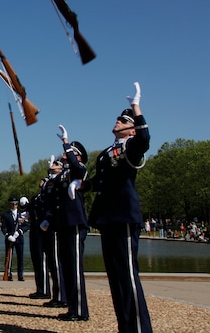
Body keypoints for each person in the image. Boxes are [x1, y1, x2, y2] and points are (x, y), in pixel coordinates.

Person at [80, 82, 153, 333]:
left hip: (123, 214)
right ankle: (126, 327)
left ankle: (140, 329)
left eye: (124, 120)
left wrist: (136, 107)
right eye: (119, 119)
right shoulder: (105, 153)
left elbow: (144, 139)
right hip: (107, 217)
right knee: (115, 277)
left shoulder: (132, 147)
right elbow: (100, 181)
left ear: (131, 129)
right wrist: (81, 186)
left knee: (129, 276)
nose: (118, 122)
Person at [55, 125, 90, 321]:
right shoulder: (63, 174)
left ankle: (80, 311)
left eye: (70, 153)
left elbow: (78, 168)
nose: (64, 154)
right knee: (67, 267)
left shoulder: (80, 169)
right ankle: (71, 306)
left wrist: (66, 143)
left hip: (75, 223)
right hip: (64, 223)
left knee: (75, 267)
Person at [39, 156, 67, 309]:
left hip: (55, 223)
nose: (52, 165)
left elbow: (56, 203)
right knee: (52, 262)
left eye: (56, 163)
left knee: (56, 262)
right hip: (49, 223)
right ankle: (57, 294)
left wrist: (49, 219)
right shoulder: (51, 182)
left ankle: (61, 296)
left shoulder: (59, 181)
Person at [25, 185, 50, 300]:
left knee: (42, 259)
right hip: (34, 229)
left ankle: (45, 290)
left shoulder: (46, 196)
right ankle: (40, 288)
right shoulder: (37, 197)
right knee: (36, 259)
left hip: (42, 230)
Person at [0, 197, 29, 281]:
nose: (14, 205)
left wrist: (19, 232)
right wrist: (7, 235)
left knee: (20, 258)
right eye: (12, 204)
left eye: (15, 204)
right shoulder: (6, 215)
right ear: (10, 204)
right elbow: (3, 228)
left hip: (19, 239)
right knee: (8, 257)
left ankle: (20, 275)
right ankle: (8, 274)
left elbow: (26, 226)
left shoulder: (22, 214)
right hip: (10, 239)